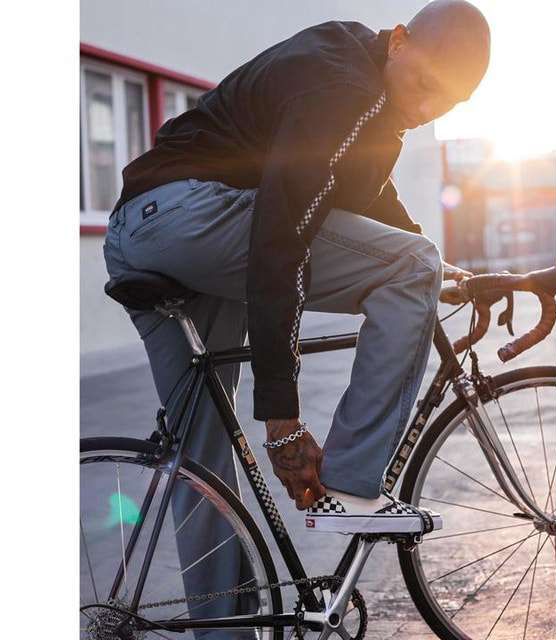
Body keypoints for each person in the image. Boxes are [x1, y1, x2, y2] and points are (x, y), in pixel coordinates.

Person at [103, 0, 490, 631]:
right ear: (398, 42)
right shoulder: (339, 89)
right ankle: (354, 487)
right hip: (188, 216)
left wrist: (444, 277)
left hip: (139, 230)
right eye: (423, 85)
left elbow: (367, 203)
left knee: (201, 462)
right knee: (411, 264)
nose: (424, 109)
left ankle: (223, 628)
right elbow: (280, 249)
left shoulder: (360, 87)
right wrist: (282, 424)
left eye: (444, 103)